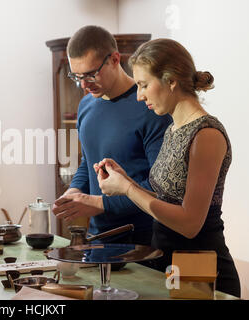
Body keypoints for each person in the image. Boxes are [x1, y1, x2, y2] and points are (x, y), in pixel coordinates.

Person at [95, 38, 240, 297]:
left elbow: (190, 223)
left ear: (171, 80)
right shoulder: (173, 129)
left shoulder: (206, 134)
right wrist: (126, 181)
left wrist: (128, 189)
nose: (139, 95)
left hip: (201, 268)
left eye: (143, 85)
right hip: (171, 263)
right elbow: (169, 202)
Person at [52, 25, 172, 249]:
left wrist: (100, 203)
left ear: (115, 59)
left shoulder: (150, 107)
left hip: (144, 243)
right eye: (76, 77)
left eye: (90, 75)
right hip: (98, 239)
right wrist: (74, 191)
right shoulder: (86, 105)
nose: (84, 85)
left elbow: (160, 190)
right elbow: (89, 161)